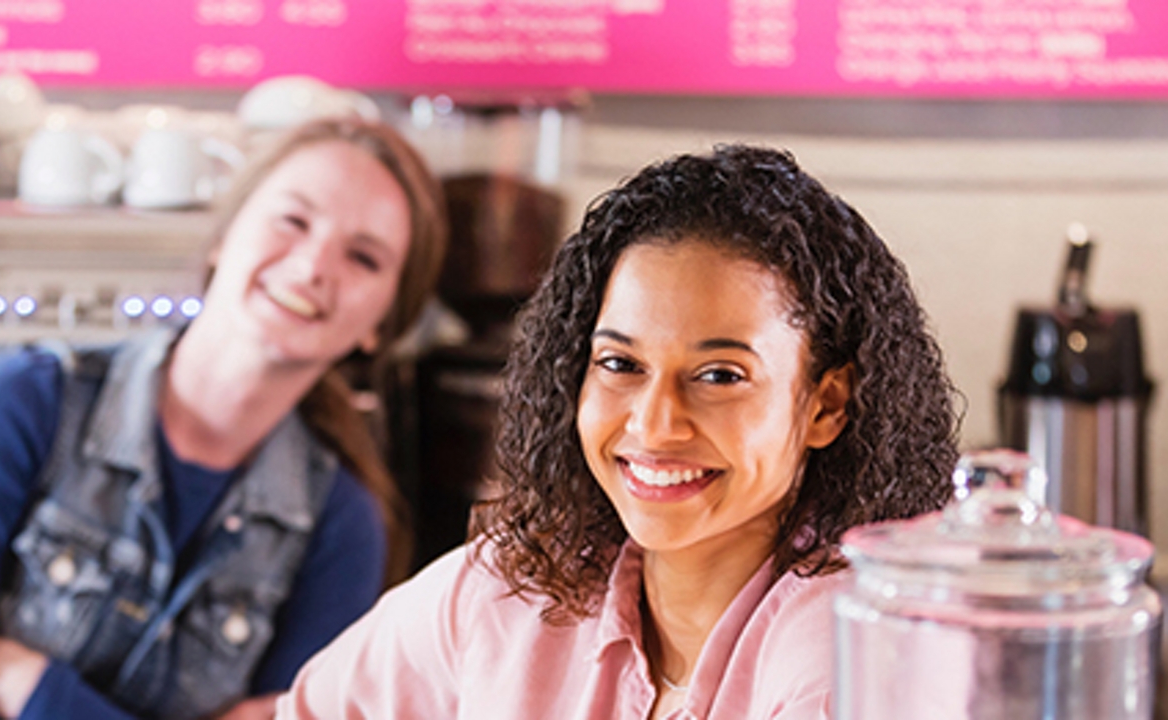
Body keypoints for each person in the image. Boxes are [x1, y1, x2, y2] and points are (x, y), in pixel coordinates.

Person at [276, 144, 960, 719]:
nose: (654, 423)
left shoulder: (853, 658)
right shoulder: (513, 591)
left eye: (720, 375)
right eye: (620, 364)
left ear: (826, 406)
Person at [0, 117, 447, 720]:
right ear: (224, 234)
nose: (314, 265)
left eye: (363, 257)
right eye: (292, 220)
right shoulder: (23, 403)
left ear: (381, 325)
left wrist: (37, 694)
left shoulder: (342, 527)